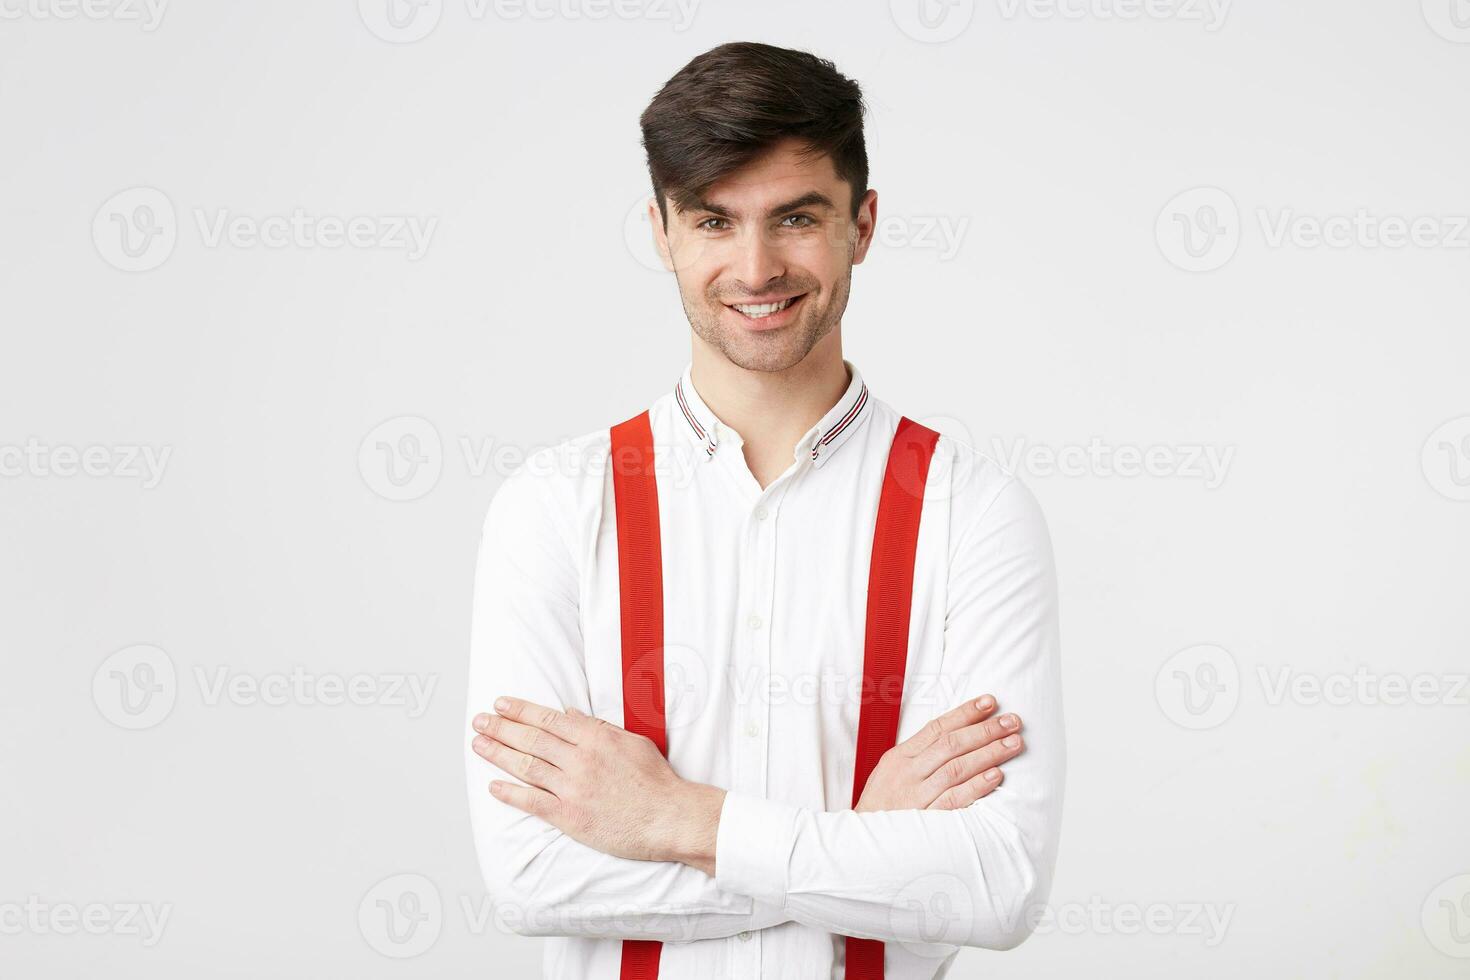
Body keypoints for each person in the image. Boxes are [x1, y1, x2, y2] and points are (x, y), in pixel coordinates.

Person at [464, 40, 1065, 979]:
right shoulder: (552, 506)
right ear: (661, 231)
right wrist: (856, 846)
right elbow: (531, 875)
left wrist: (671, 821)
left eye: (795, 218)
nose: (755, 268)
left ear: (862, 226)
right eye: (713, 221)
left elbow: (999, 883)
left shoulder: (975, 511)